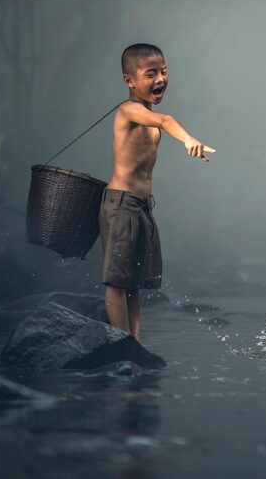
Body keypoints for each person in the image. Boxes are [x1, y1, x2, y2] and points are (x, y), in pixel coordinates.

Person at [100, 43, 214, 340]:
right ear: (130, 81)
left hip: (141, 206)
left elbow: (159, 121)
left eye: (164, 71)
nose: (160, 79)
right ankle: (120, 342)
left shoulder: (144, 114)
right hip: (121, 204)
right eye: (151, 73)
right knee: (116, 282)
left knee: (134, 281)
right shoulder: (128, 110)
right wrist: (189, 140)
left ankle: (134, 342)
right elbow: (166, 121)